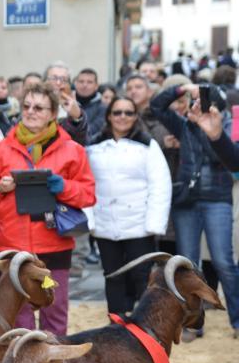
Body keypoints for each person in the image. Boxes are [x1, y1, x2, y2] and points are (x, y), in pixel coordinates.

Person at [0, 81, 96, 335]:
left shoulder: (72, 150)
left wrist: (62, 186)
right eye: (27, 106)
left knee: (55, 308)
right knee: (19, 314)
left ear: (53, 114)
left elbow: (88, 195)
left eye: (39, 108)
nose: (30, 112)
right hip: (12, 245)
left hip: (53, 248)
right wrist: (0, 187)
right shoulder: (2, 149)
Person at [151, 81, 239, 340]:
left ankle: (236, 320)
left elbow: (232, 160)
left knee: (224, 262)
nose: (195, 105)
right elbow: (157, 106)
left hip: (217, 199)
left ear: (216, 107)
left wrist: (213, 132)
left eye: (201, 100)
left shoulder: (227, 128)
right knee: (187, 264)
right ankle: (193, 323)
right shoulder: (183, 125)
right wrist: (181, 88)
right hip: (186, 201)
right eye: (193, 100)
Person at [86, 97, 171, 314]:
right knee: (112, 275)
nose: (122, 117)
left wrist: (154, 224)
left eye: (128, 112)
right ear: (109, 116)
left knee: (141, 276)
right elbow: (86, 182)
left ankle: (144, 325)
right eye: (117, 112)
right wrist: (90, 219)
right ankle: (115, 324)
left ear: (135, 116)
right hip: (105, 224)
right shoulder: (94, 145)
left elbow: (160, 185)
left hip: (139, 225)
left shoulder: (147, 145)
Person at [73, 68, 106, 143]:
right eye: (81, 81)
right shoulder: (67, 105)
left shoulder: (103, 108)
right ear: (75, 84)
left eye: (89, 82)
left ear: (96, 86)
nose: (85, 85)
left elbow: (92, 131)